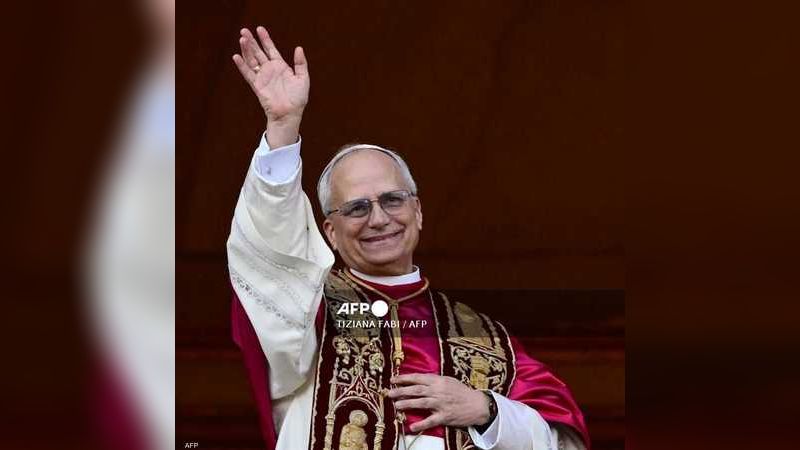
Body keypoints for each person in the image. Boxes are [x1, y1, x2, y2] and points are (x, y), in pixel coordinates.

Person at [227, 26, 589, 450]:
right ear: (330, 232)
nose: (379, 219)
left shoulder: (484, 336)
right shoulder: (308, 312)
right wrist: (283, 129)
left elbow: (562, 442)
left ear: (417, 212)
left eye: (392, 200)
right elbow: (272, 259)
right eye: (356, 208)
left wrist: (487, 410)